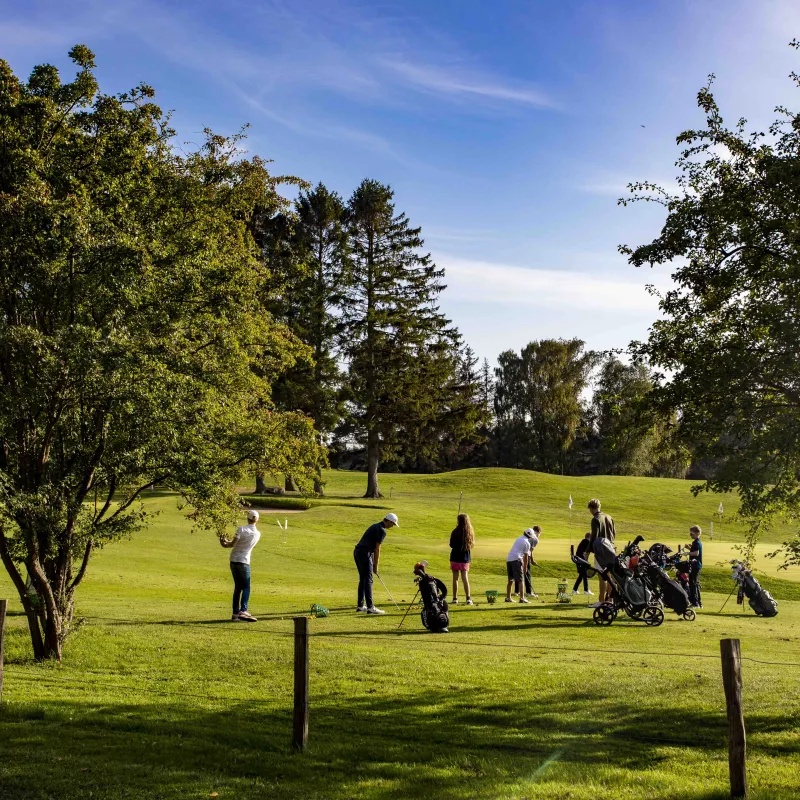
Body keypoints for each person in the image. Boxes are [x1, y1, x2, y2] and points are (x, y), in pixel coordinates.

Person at [219, 509, 261, 622]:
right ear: (256, 520)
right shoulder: (257, 534)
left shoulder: (241, 529)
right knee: (246, 586)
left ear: (248, 518)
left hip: (233, 560)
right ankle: (243, 610)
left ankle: (235, 614)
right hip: (244, 561)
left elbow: (232, 544)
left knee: (238, 587)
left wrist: (224, 542)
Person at [354, 513, 399, 615]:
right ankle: (370, 607)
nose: (392, 526)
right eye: (393, 524)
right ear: (389, 521)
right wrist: (376, 566)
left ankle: (360, 606)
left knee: (363, 578)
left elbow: (373, 549)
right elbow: (378, 549)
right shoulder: (382, 530)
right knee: (368, 579)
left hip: (358, 552)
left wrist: (373, 564)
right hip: (365, 553)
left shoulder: (375, 526)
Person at [587, 498, 616, 608]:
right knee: (609, 576)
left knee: (602, 577)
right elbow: (614, 533)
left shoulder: (595, 519)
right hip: (611, 549)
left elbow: (594, 536)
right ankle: (611, 599)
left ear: (591, 508)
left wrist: (587, 551)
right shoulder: (609, 517)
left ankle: (601, 600)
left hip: (601, 551)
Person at [449, 513, 475, 605]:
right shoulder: (470, 532)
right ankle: (468, 598)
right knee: (465, 578)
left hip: (455, 556)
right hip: (465, 557)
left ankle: (455, 599)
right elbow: (471, 545)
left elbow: (451, 544)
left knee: (455, 578)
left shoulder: (455, 531)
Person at [505, 528, 536, 604]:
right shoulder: (527, 543)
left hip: (509, 559)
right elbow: (525, 558)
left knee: (511, 580)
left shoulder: (519, 538)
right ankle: (522, 598)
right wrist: (525, 569)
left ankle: (508, 598)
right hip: (516, 560)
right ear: (530, 536)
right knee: (521, 580)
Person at [515, 525, 541, 598]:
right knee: (527, 573)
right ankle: (529, 592)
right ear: (538, 532)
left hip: (519, 555)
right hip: (526, 556)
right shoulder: (536, 539)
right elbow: (530, 551)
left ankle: (516, 591)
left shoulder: (527, 535)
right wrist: (532, 560)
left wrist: (532, 560)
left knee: (519, 572)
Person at [572, 532, 593, 596]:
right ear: (590, 537)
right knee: (584, 575)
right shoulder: (586, 541)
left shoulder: (585, 542)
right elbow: (591, 549)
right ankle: (586, 590)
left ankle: (574, 590)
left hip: (581, 560)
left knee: (581, 576)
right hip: (581, 561)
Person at [688, 525, 703, 608]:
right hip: (697, 565)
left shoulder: (696, 542)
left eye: (692, 534)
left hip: (695, 565)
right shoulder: (697, 542)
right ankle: (699, 603)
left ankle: (695, 603)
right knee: (696, 584)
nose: (691, 535)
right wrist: (689, 548)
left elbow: (696, 553)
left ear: (697, 533)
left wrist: (688, 553)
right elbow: (695, 550)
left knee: (693, 584)